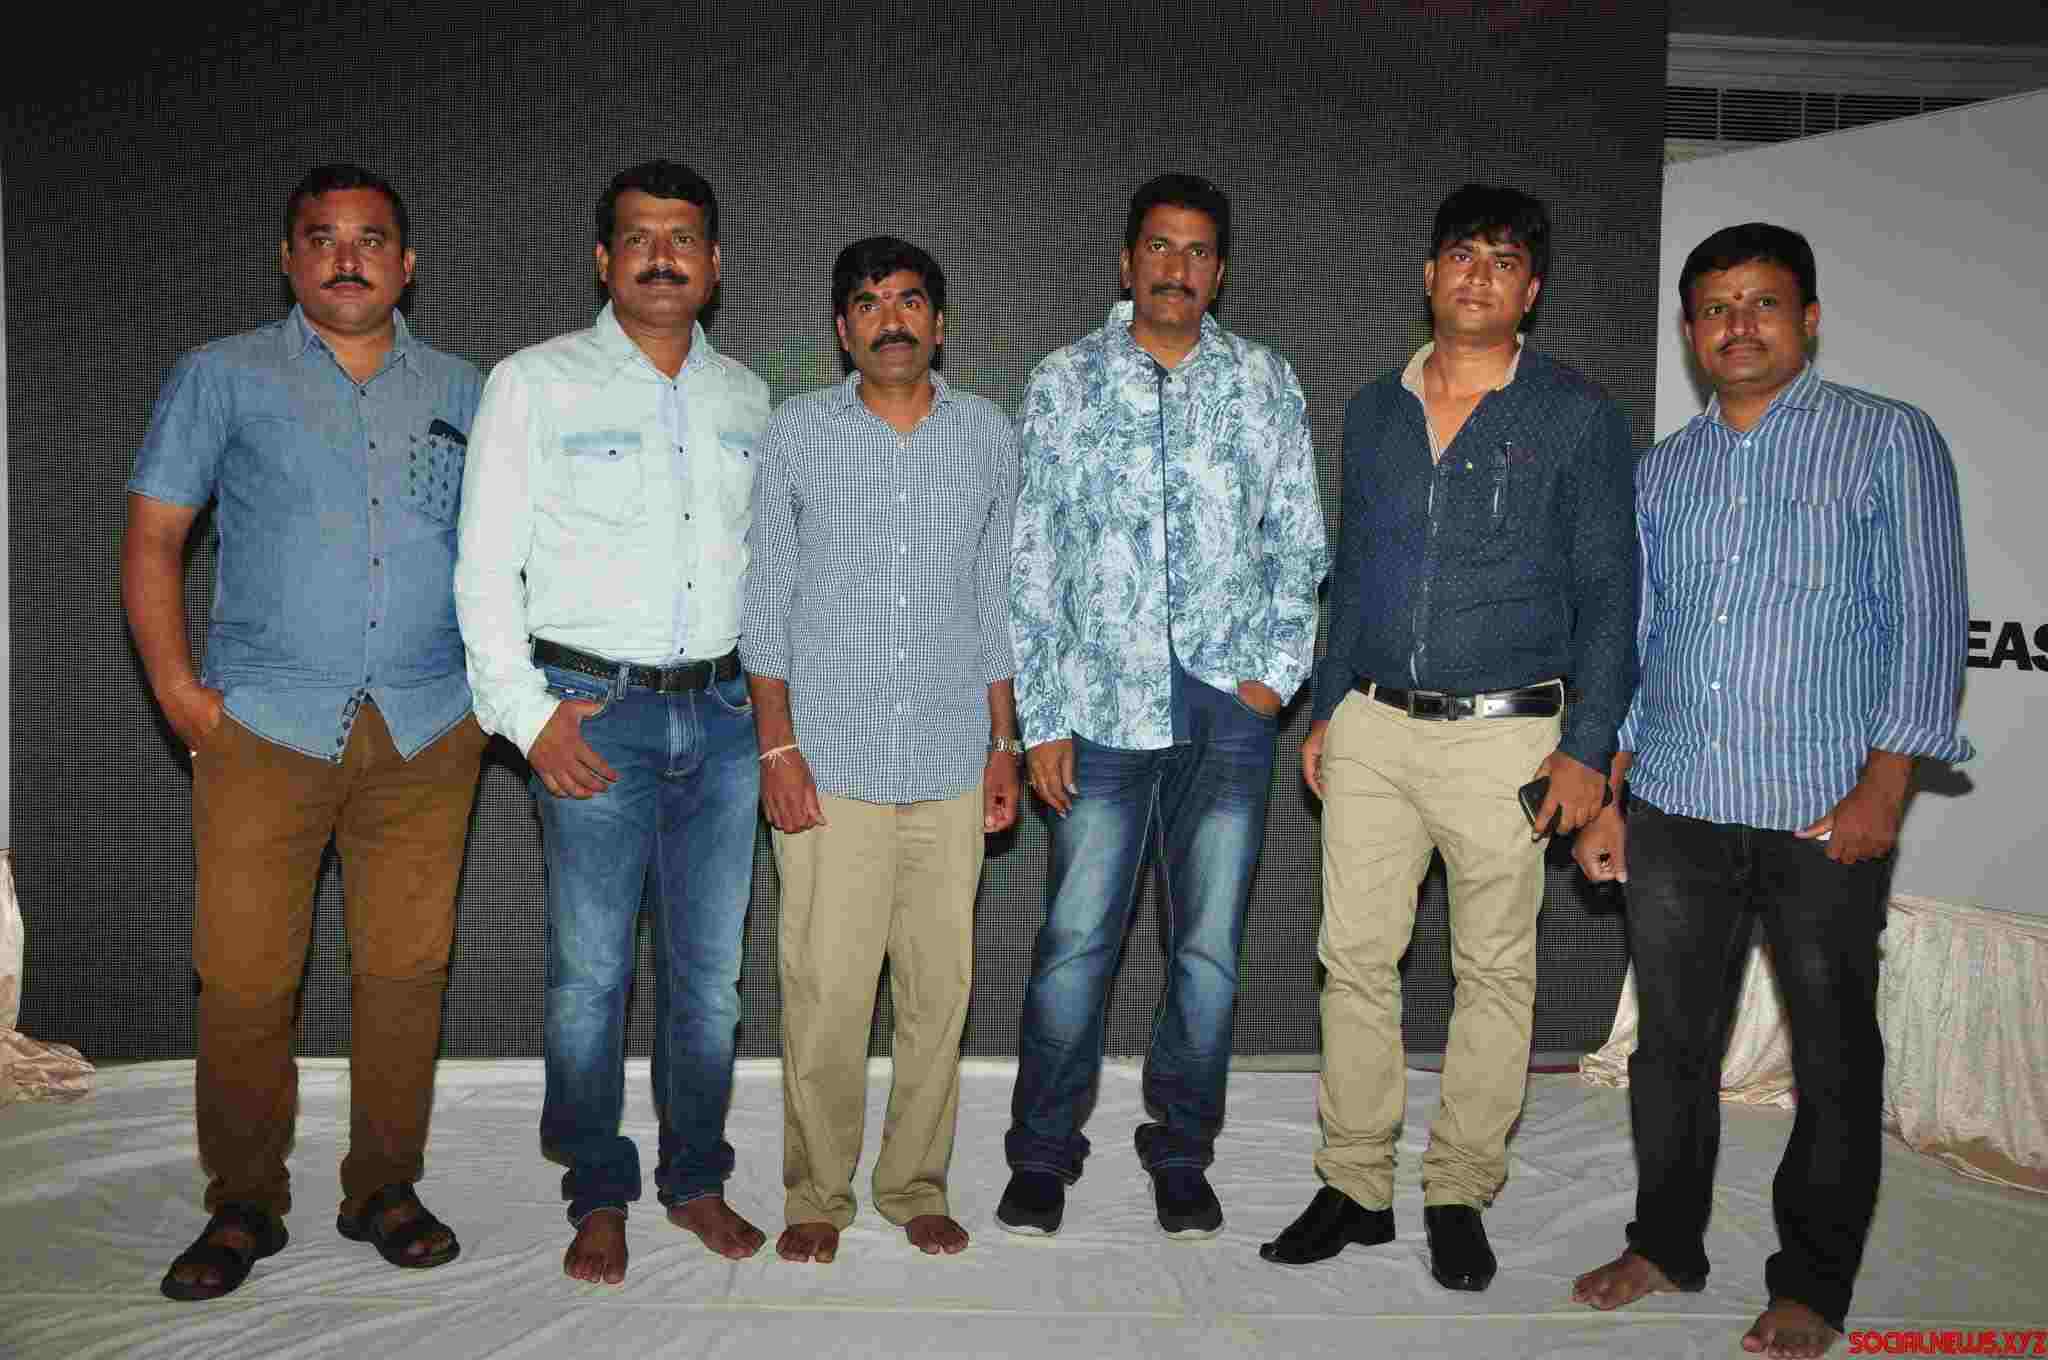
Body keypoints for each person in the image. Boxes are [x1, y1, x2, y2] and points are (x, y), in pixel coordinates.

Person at [1569, 223, 1972, 1358]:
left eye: (1761, 303)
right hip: (1676, 802)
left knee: (1832, 1051)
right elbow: (1641, 639)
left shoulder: (1886, 439)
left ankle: (1811, 1285)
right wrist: (1611, 794)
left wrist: (1886, 781)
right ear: (1689, 330)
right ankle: (1664, 1243)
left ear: (1808, 319)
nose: (1736, 325)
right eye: (1714, 307)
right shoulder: (1664, 471)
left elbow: (1927, 618)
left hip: (1819, 808)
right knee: (1669, 1049)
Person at [1262, 184, 1637, 1290]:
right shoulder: (1372, 409)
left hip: (1507, 740)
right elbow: (1353, 569)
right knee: (1352, 961)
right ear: (1428, 275)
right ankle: (1355, 1184)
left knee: (1494, 971)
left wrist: (1589, 747)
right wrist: (1330, 705)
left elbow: (1611, 594)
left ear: (1531, 289)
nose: (1478, 275)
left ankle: (1459, 1188)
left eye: (1502, 260)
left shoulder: (1576, 416)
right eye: (1461, 255)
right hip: (1372, 726)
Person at [124, 163, 487, 1300]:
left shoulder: (471, 390)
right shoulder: (221, 375)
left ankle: (384, 1184)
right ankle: (243, 1200)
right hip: (265, 727)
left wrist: (495, 697)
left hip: (427, 729)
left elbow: (512, 551)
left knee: (407, 972)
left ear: (407, 264)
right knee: (242, 977)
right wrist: (179, 692)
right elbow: (153, 538)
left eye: (371, 238)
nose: (347, 257)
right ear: (287, 259)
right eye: (321, 237)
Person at [453, 159, 770, 1284]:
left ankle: (695, 1178)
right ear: (603, 259)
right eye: (638, 236)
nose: (660, 255)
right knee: (589, 978)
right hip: (594, 717)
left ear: (714, 263)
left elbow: (768, 570)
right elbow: (482, 567)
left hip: (724, 721)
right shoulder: (532, 383)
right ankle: (596, 1189)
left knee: (711, 981)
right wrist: (527, 718)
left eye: (682, 237)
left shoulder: (749, 399)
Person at [998, 173, 1329, 1239]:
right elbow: (1030, 557)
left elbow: (1299, 540)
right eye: (1158, 247)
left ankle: (1180, 1148)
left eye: (1196, 252)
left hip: (1227, 710)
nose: (1175, 268)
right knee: (1074, 943)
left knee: (1208, 953)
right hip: (1098, 705)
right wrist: (1042, 716)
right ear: (1126, 260)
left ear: (1218, 271)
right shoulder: (1063, 382)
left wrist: (1274, 675)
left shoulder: (1263, 381)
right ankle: (1042, 1151)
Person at [742, 236, 1021, 1264]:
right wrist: (777, 748)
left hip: (950, 760)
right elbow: (765, 604)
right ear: (841, 327)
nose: (890, 319)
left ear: (939, 325)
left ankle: (914, 1185)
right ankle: (817, 1194)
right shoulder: (795, 435)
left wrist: (1003, 741)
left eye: (909, 301)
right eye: (868, 303)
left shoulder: (988, 436)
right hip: (830, 764)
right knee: (824, 998)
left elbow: (997, 601)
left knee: (938, 996)